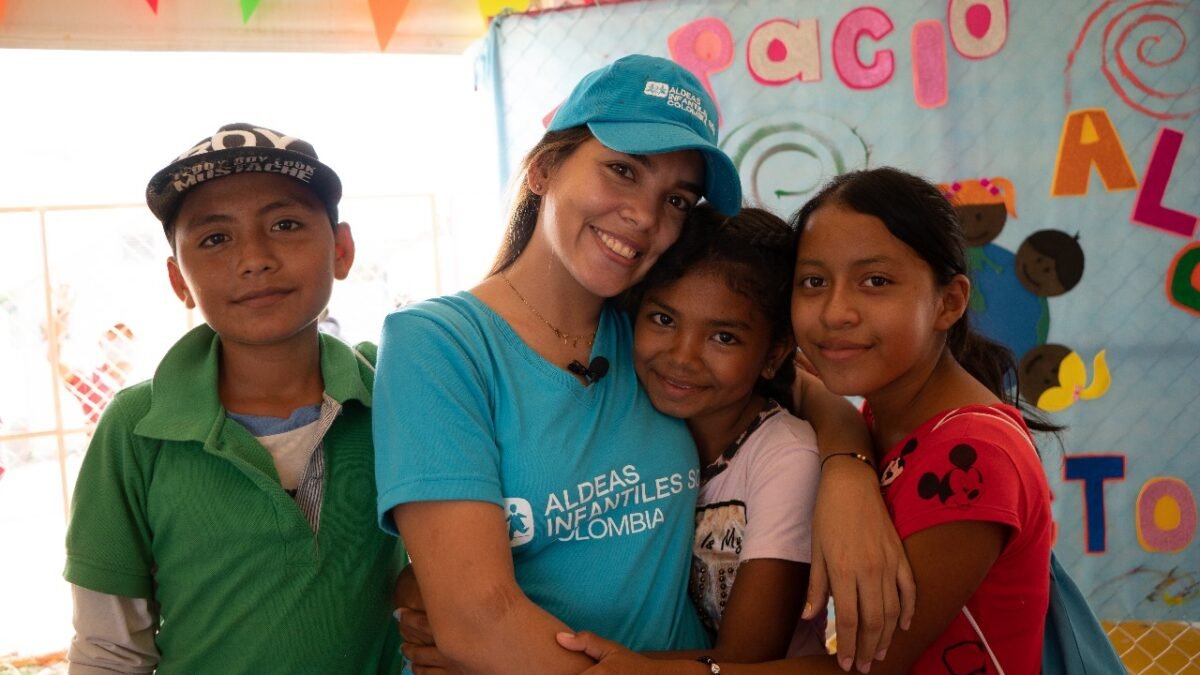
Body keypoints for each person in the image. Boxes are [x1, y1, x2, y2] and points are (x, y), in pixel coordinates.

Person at [376, 55, 911, 675]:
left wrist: (848, 474)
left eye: (677, 199)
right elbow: (479, 622)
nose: (647, 216)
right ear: (545, 168)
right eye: (623, 170)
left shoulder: (648, 331)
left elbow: (798, 388)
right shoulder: (439, 345)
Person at [558, 167, 1054, 674]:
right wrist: (848, 464)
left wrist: (651, 671)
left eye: (875, 282)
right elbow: (799, 380)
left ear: (948, 301)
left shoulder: (972, 453)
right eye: (814, 282)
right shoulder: (888, 414)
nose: (836, 312)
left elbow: (868, 669)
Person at [63, 123, 405, 674]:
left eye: (286, 224)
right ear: (179, 282)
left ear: (341, 250)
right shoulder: (137, 429)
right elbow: (110, 648)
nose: (254, 258)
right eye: (215, 238)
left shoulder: (392, 391)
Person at [628, 204, 827, 660]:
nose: (682, 357)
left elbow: (747, 655)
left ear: (775, 354)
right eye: (663, 319)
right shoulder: (628, 415)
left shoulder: (786, 457)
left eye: (723, 337)